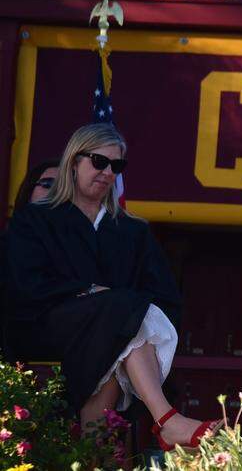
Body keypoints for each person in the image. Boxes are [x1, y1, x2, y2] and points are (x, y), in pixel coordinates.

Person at [2, 123, 219, 449]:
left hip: (112, 337)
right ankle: (166, 420)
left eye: (116, 166)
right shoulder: (35, 221)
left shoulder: (133, 232)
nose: (107, 172)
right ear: (74, 162)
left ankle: (97, 458)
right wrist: (91, 293)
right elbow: (25, 285)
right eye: (98, 162)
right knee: (120, 313)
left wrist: (117, 308)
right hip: (47, 329)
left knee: (119, 326)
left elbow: (164, 297)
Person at [1, 159, 60, 358]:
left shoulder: (85, 248)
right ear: (29, 190)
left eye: (64, 187)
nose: (54, 192)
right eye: (47, 184)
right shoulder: (7, 241)